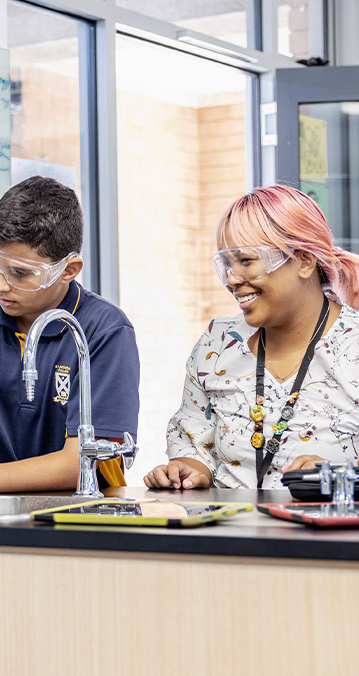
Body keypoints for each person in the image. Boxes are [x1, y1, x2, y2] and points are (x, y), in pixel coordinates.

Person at [0, 176, 139, 497]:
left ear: (68, 269)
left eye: (19, 272)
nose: (0, 285)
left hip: (81, 514)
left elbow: (80, 463)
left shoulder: (104, 330)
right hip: (0, 512)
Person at [144, 184, 359, 491]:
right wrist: (188, 470)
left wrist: (339, 474)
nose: (232, 279)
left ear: (304, 261)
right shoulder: (217, 343)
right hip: (229, 536)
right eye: (227, 264)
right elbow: (194, 444)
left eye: (246, 261)